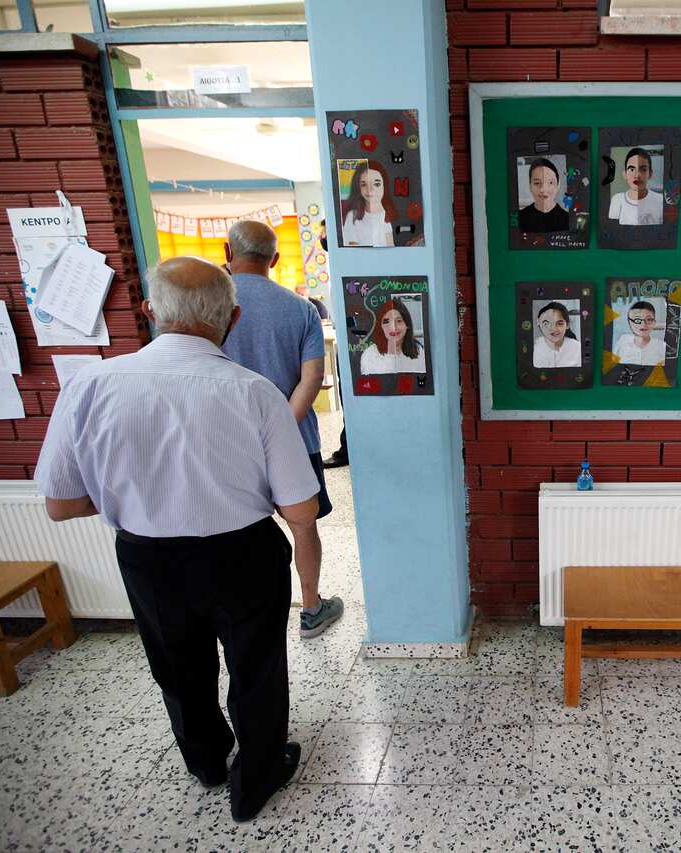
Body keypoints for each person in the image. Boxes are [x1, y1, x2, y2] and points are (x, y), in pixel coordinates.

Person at [34, 257, 315, 822]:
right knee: (256, 665)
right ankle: (255, 779)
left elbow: (61, 504)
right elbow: (301, 508)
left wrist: (133, 495)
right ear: (232, 318)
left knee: (176, 663)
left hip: (148, 556)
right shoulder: (256, 394)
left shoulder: (89, 385)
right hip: (243, 553)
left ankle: (206, 761)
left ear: (149, 311)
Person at [222, 221, 343, 640]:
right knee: (303, 525)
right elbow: (311, 379)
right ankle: (311, 609)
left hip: (228, 442)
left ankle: (247, 616)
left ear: (227, 251)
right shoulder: (300, 308)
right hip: (294, 440)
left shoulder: (208, 307)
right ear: (274, 259)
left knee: (239, 530)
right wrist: (278, 431)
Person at [359, 297, 426, 374]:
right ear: (380, 327)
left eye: (399, 321)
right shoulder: (369, 355)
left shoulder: (420, 353)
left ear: (407, 325)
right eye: (387, 322)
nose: (393, 327)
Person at [342, 161, 396, 247]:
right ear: (358, 187)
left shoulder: (390, 215)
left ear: (384, 185)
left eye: (376, 184)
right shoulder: (353, 216)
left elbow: (392, 246)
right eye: (364, 184)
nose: (370, 190)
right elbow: (352, 252)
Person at [607, 147, 663, 226]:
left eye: (643, 169)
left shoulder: (660, 200)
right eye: (632, 169)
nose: (637, 175)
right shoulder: (617, 200)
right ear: (625, 174)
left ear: (650, 174)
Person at [517, 157, 569, 233]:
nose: (543, 189)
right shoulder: (520, 218)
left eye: (550, 183)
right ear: (530, 185)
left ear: (558, 184)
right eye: (537, 183)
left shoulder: (568, 220)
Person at [611, 300, 665, 366]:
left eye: (649, 319)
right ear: (629, 322)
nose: (643, 324)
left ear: (654, 322)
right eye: (637, 320)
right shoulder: (622, 341)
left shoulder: (662, 346)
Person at [532, 301, 580, 368]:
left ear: (567, 325)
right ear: (538, 323)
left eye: (559, 324)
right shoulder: (534, 348)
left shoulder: (577, 348)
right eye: (546, 323)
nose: (554, 329)